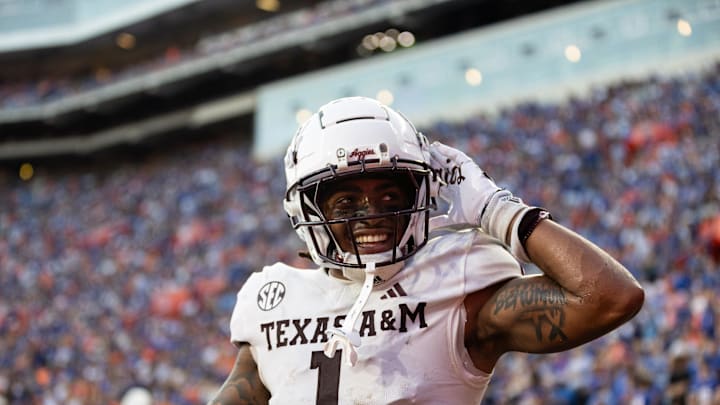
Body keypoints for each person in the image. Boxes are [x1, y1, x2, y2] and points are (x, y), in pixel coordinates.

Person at [207, 96, 644, 404]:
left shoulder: (457, 280)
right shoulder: (274, 297)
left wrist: (499, 211)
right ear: (306, 211)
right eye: (345, 203)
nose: (371, 214)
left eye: (390, 197)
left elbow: (609, 298)